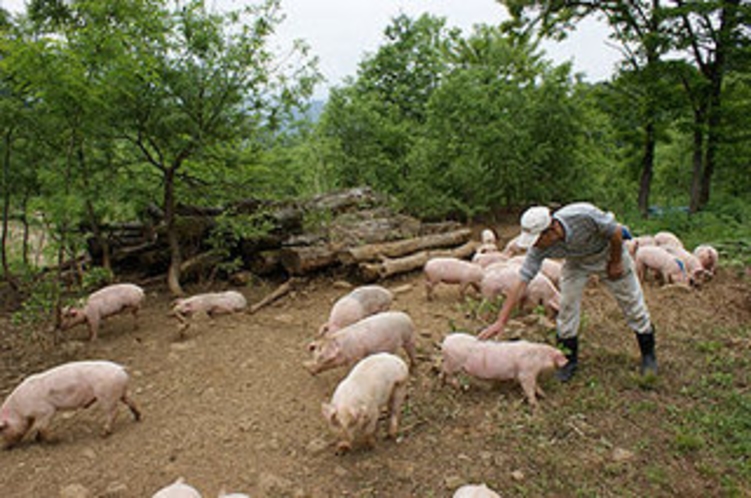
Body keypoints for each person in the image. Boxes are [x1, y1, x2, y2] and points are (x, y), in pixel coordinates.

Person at [478, 202, 657, 381]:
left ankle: (648, 354)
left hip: (608, 253)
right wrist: (501, 321)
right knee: (567, 306)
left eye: (537, 239)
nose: (536, 245)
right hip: (576, 263)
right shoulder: (539, 248)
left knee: (631, 302)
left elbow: (616, 231)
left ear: (552, 229)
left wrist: (616, 261)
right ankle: (568, 361)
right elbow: (523, 280)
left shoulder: (583, 215)